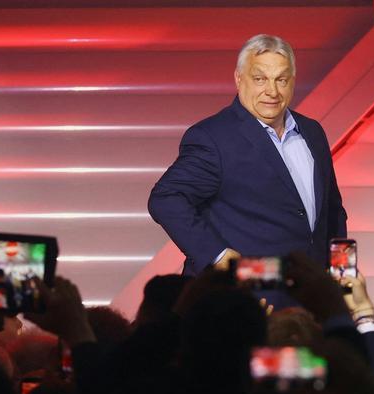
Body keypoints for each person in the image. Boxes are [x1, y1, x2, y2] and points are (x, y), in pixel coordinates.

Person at [148, 34, 347, 276]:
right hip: (243, 291)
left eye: (281, 79)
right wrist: (217, 255)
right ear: (239, 78)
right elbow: (166, 198)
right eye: (260, 79)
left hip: (312, 291)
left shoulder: (312, 131)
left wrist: (344, 273)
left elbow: (333, 212)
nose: (272, 91)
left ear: (293, 81)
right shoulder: (213, 137)